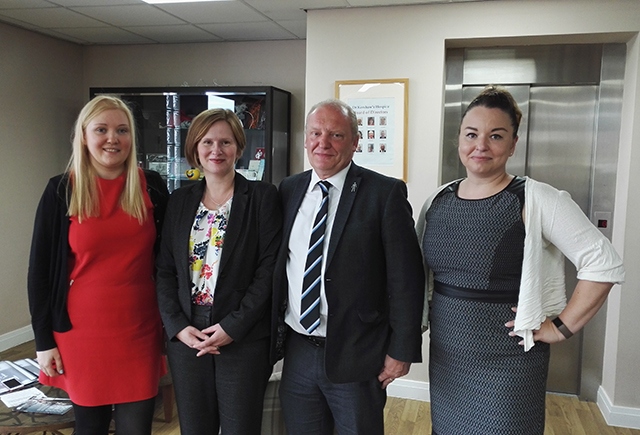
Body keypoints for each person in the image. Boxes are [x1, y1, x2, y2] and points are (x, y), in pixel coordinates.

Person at [417, 85, 625, 435]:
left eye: (496, 136)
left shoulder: (537, 198)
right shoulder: (437, 200)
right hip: (448, 356)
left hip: (509, 360)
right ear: (459, 140)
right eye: (472, 134)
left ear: (513, 144)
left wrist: (560, 328)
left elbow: (603, 263)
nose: (481, 145)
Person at [271, 99, 424, 435]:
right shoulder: (289, 189)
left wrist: (401, 350)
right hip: (298, 350)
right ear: (305, 138)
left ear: (356, 142)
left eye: (336, 135)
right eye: (315, 133)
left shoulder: (384, 193)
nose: (323, 143)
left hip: (358, 352)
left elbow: (406, 279)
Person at [27, 95, 169, 435]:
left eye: (122, 130)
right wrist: (43, 341)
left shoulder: (152, 186)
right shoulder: (61, 189)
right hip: (81, 333)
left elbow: (169, 261)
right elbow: (39, 273)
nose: (112, 138)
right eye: (101, 129)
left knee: (137, 429)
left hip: (140, 329)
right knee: (90, 428)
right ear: (84, 135)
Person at [156, 108, 281, 434]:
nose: (216, 150)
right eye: (207, 141)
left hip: (243, 337)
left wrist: (232, 326)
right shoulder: (179, 201)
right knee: (196, 428)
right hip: (187, 335)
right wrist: (178, 327)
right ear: (195, 148)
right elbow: (165, 270)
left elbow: (269, 271)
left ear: (239, 148)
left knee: (241, 428)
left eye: (225, 142)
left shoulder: (263, 197)